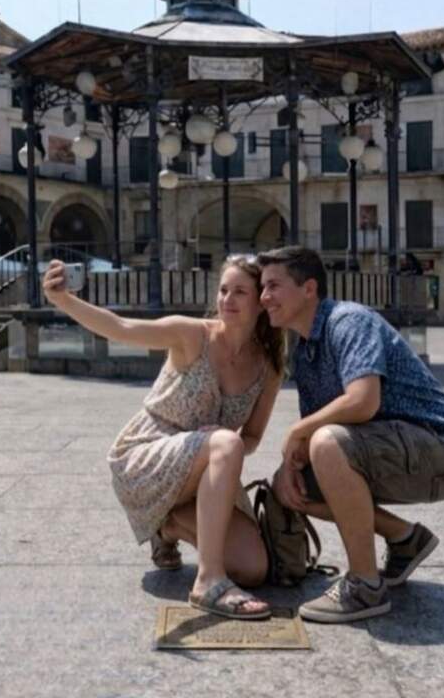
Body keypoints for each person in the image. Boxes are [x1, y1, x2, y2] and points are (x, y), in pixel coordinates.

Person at [42, 256, 285, 620]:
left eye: (240, 292)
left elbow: (250, 437)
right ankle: (208, 581)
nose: (227, 299)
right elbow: (122, 327)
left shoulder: (269, 367)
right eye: (223, 290)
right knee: (226, 443)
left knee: (253, 568)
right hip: (144, 456)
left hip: (202, 472)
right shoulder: (192, 334)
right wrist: (64, 300)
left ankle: (166, 526)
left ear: (260, 302)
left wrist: (222, 443)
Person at [257, 247, 444, 624]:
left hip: (442, 450)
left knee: (327, 442)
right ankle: (406, 539)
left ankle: (365, 586)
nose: (264, 297)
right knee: (291, 486)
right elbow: (323, 437)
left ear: (308, 288)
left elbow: (362, 402)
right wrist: (288, 468)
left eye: (273, 286)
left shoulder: (348, 320)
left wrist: (297, 431)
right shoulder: (305, 351)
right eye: (262, 288)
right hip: (391, 449)